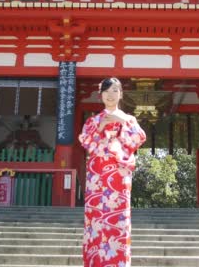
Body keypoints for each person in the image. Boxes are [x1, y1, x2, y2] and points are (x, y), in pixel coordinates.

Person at [78, 77, 146, 267]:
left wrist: (120, 121)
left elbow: (139, 138)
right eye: (107, 91)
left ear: (121, 94)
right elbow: (86, 143)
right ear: (101, 95)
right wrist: (100, 127)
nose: (110, 95)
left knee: (119, 219)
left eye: (115, 91)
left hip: (118, 175)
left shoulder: (129, 119)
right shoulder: (93, 120)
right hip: (97, 176)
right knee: (95, 219)